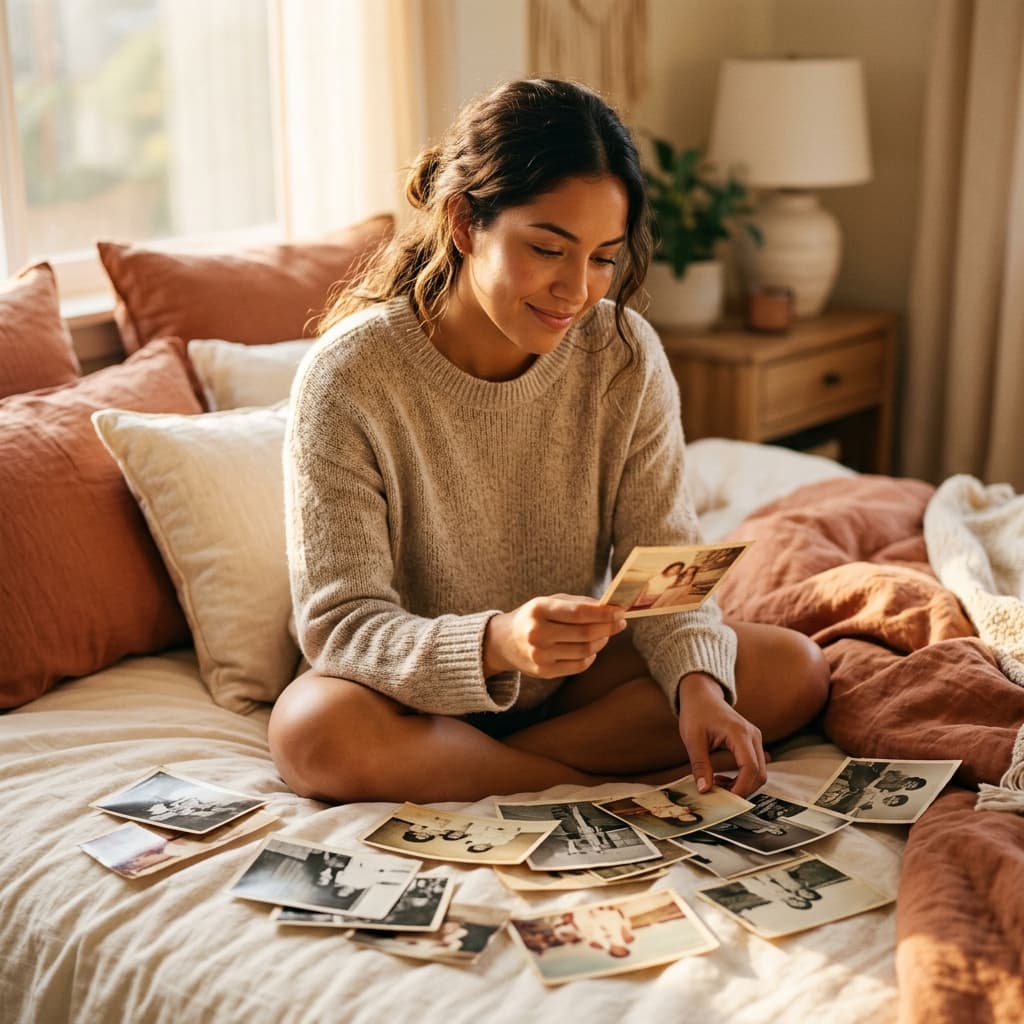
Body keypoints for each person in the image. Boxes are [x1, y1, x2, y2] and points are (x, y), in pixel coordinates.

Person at [268, 78, 830, 805]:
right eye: (547, 248)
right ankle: (579, 784)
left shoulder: (623, 354)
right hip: (402, 697)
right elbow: (341, 627)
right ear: (465, 223)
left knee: (794, 669)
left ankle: (482, 770)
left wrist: (697, 683)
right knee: (313, 733)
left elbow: (663, 560)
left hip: (565, 685)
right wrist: (496, 642)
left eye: (603, 257)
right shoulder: (349, 376)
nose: (578, 289)